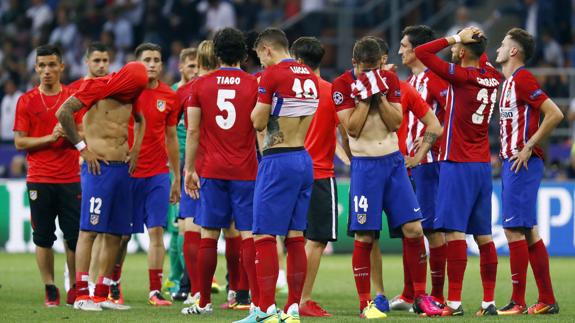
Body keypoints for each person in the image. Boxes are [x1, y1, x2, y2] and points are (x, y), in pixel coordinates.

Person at [333, 36, 442, 319]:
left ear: (382, 63)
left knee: (415, 230)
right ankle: (366, 302)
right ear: (354, 63)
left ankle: (420, 296)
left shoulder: (390, 82)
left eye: (374, 69)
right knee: (366, 235)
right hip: (365, 166)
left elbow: (395, 123)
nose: (369, 74)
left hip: (393, 164)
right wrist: (366, 96)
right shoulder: (342, 86)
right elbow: (353, 129)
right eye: (364, 70)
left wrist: (378, 94)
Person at [414, 27, 503, 316]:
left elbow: (422, 53)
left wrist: (454, 37)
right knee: (484, 236)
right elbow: (481, 55)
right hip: (482, 166)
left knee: (454, 233)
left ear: (463, 52)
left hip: (457, 164)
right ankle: (488, 301)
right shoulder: (493, 77)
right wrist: (473, 37)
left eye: (458, 48)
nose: (453, 50)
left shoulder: (460, 77)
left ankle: (453, 302)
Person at [236, 27, 318, 323]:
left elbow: (258, 122)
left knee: (263, 235)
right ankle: (293, 308)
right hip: (303, 157)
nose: (261, 62)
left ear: (267, 50)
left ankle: (265, 310)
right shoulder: (308, 74)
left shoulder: (272, 75)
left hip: (277, 160)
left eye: (260, 56)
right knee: (296, 235)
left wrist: (260, 111)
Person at [56, 61, 148, 311]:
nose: (140, 89)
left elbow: (141, 120)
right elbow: (63, 112)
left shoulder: (132, 93)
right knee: (89, 230)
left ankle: (101, 294)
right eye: (138, 85)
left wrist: (137, 148)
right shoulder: (95, 87)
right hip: (98, 170)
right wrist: (82, 149)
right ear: (130, 81)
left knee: (117, 234)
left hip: (122, 169)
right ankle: (82, 295)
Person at [180, 27, 259, 316]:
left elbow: (193, 132)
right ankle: (253, 300)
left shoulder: (199, 86)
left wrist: (190, 169)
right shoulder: (254, 84)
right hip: (246, 170)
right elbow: (261, 127)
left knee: (208, 234)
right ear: (244, 54)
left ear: (215, 53)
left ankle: (202, 302)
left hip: (211, 170)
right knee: (249, 234)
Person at [494, 27, 562, 315]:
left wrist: (528, 146)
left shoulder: (522, 78)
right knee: (528, 231)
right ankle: (546, 299)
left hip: (522, 163)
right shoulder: (508, 82)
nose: (497, 48)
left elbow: (555, 113)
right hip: (513, 164)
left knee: (513, 229)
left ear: (513, 51)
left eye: (502, 43)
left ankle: (518, 301)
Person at [13, 44, 80, 307]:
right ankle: (50, 287)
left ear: (61, 67)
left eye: (52, 65)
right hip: (40, 178)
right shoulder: (26, 100)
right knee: (43, 236)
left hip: (70, 177)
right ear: (35, 68)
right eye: (42, 66)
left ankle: (75, 286)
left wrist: (71, 133)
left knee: (74, 236)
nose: (47, 71)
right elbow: (19, 142)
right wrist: (50, 137)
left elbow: (86, 132)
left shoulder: (74, 98)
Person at [394, 25, 450, 309]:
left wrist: (428, 146)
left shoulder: (434, 80)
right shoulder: (409, 81)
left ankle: (437, 295)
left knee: (431, 228)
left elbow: (449, 117)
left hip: (429, 164)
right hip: (408, 164)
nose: (400, 50)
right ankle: (408, 293)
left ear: (417, 50)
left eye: (404, 45)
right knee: (410, 227)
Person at [288, 36, 340, 317]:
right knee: (316, 240)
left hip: (287, 170)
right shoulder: (332, 93)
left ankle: (270, 297)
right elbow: (350, 130)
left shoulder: (287, 91)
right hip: (319, 173)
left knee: (286, 236)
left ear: (298, 61)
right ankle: (302, 299)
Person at [129, 42, 180, 306]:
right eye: (147, 59)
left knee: (157, 232)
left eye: (157, 59)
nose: (152, 64)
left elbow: (172, 138)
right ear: (137, 64)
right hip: (127, 173)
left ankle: (154, 290)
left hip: (158, 174)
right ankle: (110, 285)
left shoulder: (170, 96)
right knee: (118, 235)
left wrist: (177, 177)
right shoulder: (125, 94)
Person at [176, 40, 224, 306]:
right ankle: (239, 292)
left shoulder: (189, 89)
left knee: (193, 227)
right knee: (233, 229)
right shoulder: (231, 84)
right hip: (229, 162)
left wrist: (183, 169)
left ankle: (197, 292)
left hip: (197, 162)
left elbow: (173, 129)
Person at [166, 47, 198, 300]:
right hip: (177, 167)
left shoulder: (204, 91)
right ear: (181, 68)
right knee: (179, 227)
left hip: (202, 165)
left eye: (198, 65)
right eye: (191, 66)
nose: (195, 70)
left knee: (197, 226)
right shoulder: (175, 94)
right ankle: (177, 279)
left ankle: (194, 277)